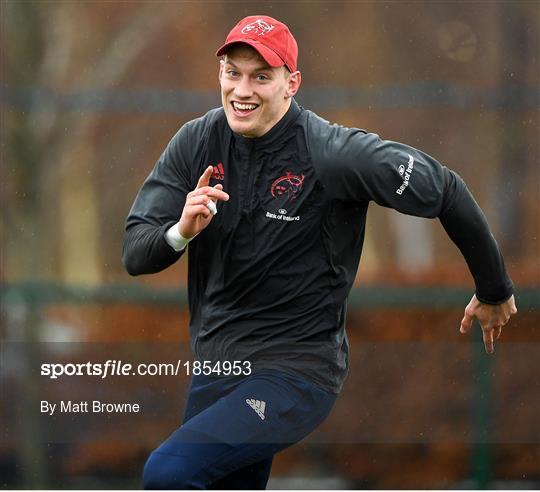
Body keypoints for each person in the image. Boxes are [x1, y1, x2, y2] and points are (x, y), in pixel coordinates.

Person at [122, 14, 517, 489]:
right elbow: (136, 253)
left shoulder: (333, 153)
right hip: (218, 366)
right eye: (233, 73)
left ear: (292, 84)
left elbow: (446, 190)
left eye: (261, 77)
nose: (242, 90)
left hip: (296, 372)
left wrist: (493, 289)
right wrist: (180, 232)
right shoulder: (196, 142)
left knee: (169, 473)